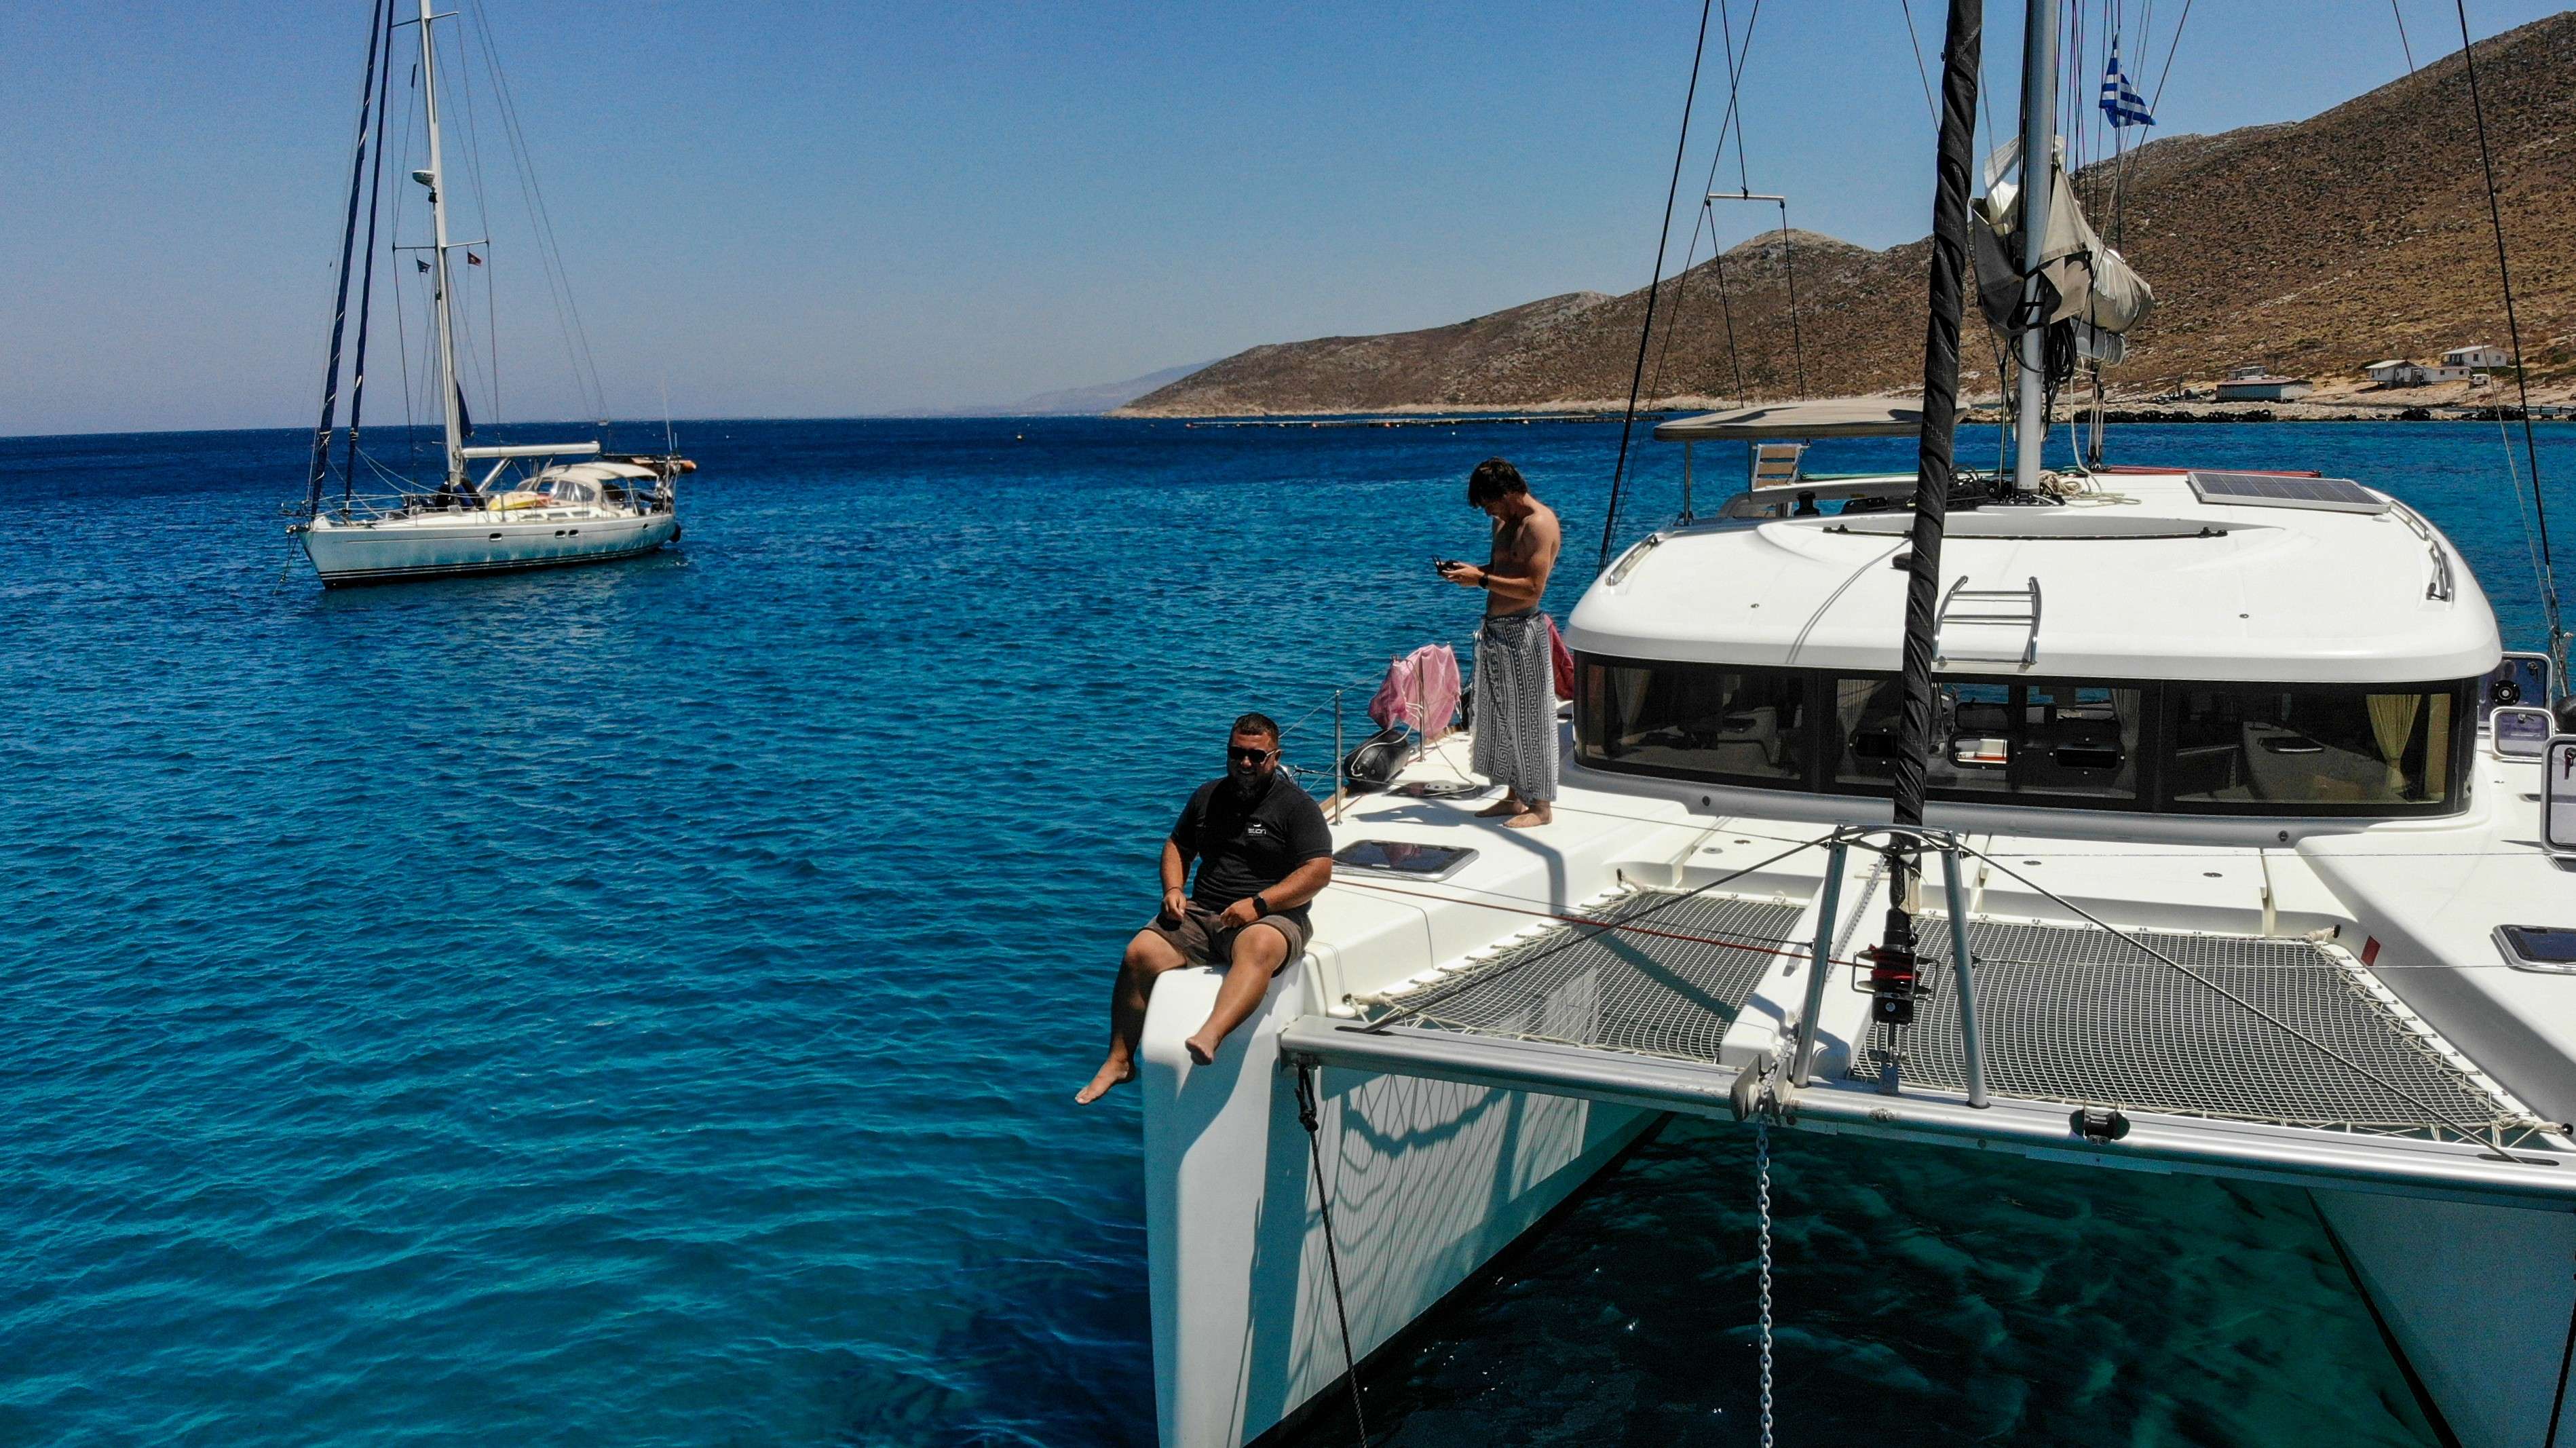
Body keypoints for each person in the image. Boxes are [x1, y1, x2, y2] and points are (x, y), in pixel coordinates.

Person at [1075, 713, 1334, 1104]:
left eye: (1256, 756)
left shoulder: (1297, 807)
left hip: (1272, 914)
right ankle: (1121, 1060)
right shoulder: (1208, 796)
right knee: (1139, 953)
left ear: (1275, 756)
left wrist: (1259, 904)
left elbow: (1318, 871)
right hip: (1204, 911)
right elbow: (1178, 846)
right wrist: (1174, 888)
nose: (1245, 764)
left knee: (1259, 947)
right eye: (1236, 754)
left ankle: (1210, 1034)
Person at [1438, 457, 1562, 827]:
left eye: (1490, 503)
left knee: (1531, 720)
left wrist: (1479, 580)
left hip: (1523, 631)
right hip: (1494, 631)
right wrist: (1470, 571)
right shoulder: (1502, 521)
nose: (1487, 511)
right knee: (1499, 717)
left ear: (1508, 493)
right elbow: (1503, 569)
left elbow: (1532, 587)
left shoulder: (1539, 524)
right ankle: (1513, 796)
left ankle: (1540, 807)